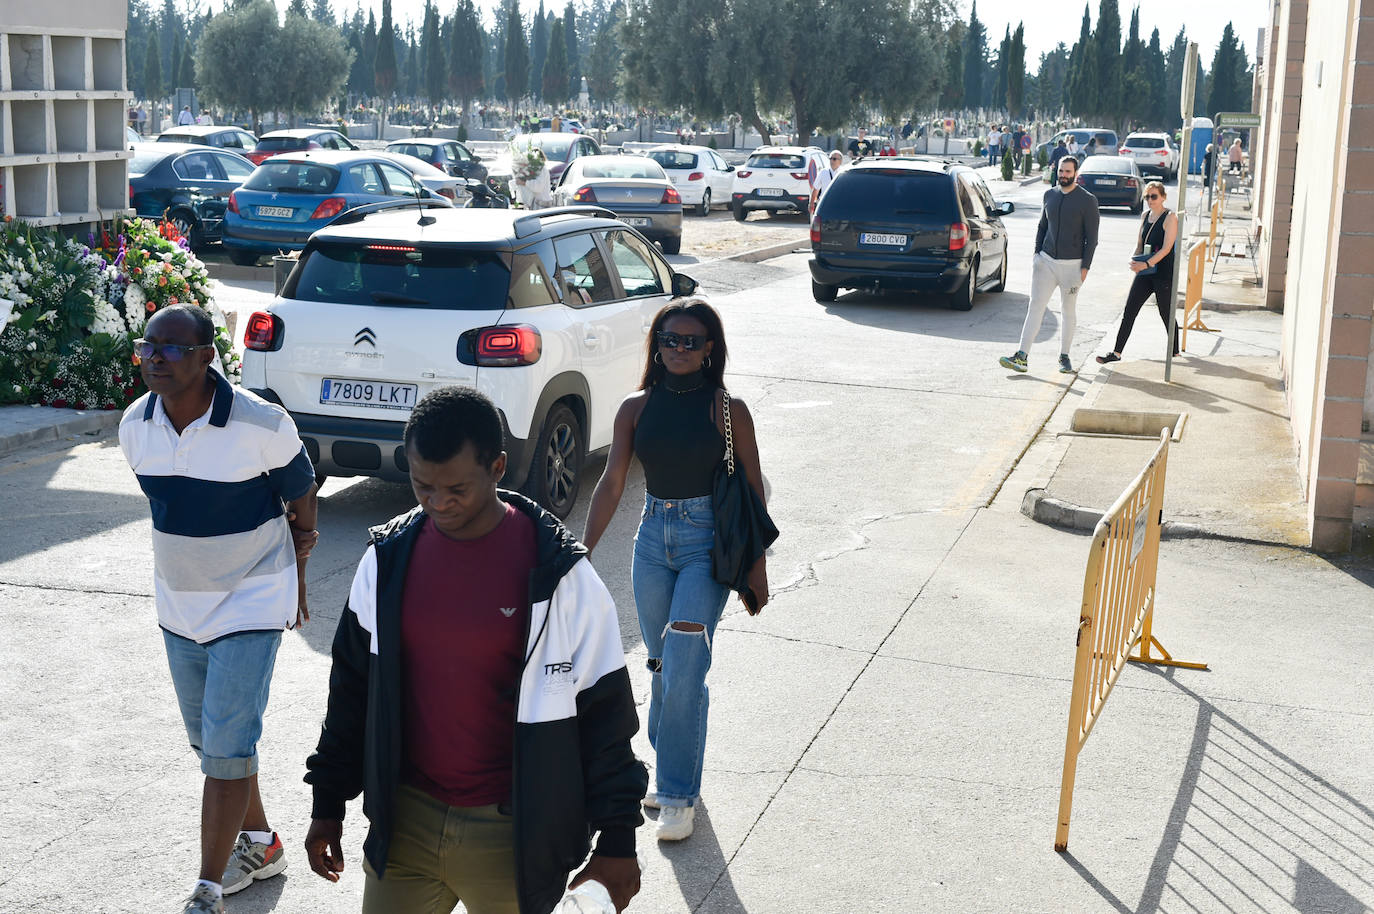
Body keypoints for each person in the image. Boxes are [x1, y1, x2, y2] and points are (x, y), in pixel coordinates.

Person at [303, 386, 647, 914]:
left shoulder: (561, 577)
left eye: (456, 488)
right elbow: (351, 690)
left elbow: (605, 716)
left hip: (514, 834)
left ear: (498, 467)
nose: (438, 502)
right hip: (405, 825)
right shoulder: (386, 562)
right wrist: (328, 802)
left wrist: (618, 838)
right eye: (423, 486)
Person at [118, 305, 318, 914]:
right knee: (215, 747)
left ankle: (207, 889)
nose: (155, 356)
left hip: (254, 600)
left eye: (172, 348)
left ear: (209, 356)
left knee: (227, 745)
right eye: (148, 346)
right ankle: (261, 843)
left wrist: (298, 577)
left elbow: (302, 495)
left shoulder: (261, 424)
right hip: (180, 606)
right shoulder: (135, 426)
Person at [582, 299, 770, 843]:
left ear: (711, 348)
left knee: (685, 663)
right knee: (669, 668)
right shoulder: (634, 409)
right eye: (670, 339)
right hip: (651, 542)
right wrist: (582, 550)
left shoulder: (727, 409)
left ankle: (678, 794)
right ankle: (673, 768)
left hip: (706, 543)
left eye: (691, 341)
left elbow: (753, 488)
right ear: (656, 344)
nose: (679, 349)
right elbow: (613, 482)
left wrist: (755, 568)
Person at [1000, 154, 1100, 375]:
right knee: (1035, 307)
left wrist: (1085, 268)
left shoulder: (1087, 200)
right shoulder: (1049, 195)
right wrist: (1037, 254)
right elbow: (1042, 226)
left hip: (1072, 266)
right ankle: (1022, 356)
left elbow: (1091, 239)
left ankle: (1064, 357)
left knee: (1068, 310)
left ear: (1076, 173)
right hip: (1045, 262)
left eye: (1068, 172)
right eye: (1061, 171)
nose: (1064, 175)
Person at [1095, 181, 1180, 363]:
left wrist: (1147, 264)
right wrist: (1133, 259)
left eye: (1154, 196)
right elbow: (1140, 244)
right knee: (1130, 310)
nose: (1150, 200)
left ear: (1163, 197)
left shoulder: (1170, 217)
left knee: (1166, 312)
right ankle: (1116, 353)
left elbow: (1166, 249)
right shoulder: (1145, 215)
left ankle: (1175, 353)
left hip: (1162, 272)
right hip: (1145, 272)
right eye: (1147, 197)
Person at [811, 150, 843, 214]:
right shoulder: (823, 172)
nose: (831, 161)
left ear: (840, 161)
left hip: (839, 204)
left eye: (834, 159)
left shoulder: (843, 173)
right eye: (830, 158)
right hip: (824, 203)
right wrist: (811, 203)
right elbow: (816, 189)